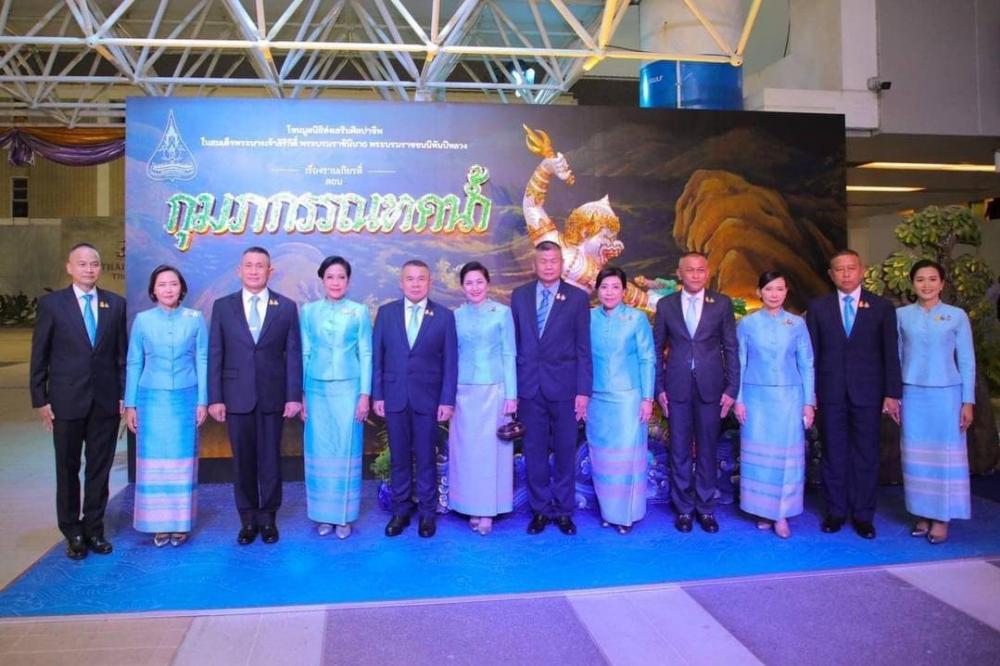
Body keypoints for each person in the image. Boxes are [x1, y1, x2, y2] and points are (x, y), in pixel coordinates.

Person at [30, 242, 127, 560]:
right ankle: (72, 530)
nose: (89, 269)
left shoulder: (115, 304)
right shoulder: (52, 305)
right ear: (69, 267)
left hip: (105, 403)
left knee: (99, 469)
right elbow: (40, 355)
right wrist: (40, 399)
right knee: (68, 468)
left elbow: (120, 356)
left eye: (94, 263)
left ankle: (94, 529)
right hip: (66, 401)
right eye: (82, 263)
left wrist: (123, 395)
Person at [208, 246, 302, 546]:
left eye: (259, 266)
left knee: (271, 460)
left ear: (270, 271)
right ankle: (247, 519)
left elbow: (293, 354)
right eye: (248, 265)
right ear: (239, 270)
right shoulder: (223, 306)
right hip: (236, 397)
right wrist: (215, 398)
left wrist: (293, 396)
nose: (253, 270)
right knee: (243, 461)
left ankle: (268, 517)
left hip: (273, 396)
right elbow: (215, 353)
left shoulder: (286, 306)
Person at [806, 249, 902, 540]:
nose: (846, 274)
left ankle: (863, 515)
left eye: (851, 268)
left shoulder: (882, 307)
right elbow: (811, 356)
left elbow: (890, 353)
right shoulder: (818, 307)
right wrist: (811, 394)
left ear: (862, 270)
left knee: (866, 454)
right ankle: (835, 512)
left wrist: (892, 393)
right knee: (833, 454)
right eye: (839, 269)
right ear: (831, 274)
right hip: (830, 393)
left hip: (869, 394)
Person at [510, 241, 592, 536]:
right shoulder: (519, 296)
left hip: (565, 388)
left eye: (553, 261)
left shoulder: (577, 298)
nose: (548, 266)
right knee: (534, 451)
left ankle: (564, 511)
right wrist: (513, 390)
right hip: (529, 388)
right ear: (534, 264)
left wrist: (583, 392)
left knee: (565, 451)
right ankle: (541, 511)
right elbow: (513, 345)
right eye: (543, 261)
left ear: (561, 264)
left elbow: (584, 348)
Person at [653, 251, 739, 534]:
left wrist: (732, 388)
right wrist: (658, 388)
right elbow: (656, 350)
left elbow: (731, 347)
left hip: (711, 388)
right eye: (689, 270)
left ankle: (705, 508)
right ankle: (684, 509)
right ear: (679, 273)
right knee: (679, 450)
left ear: (707, 272)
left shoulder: (722, 304)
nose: (695, 275)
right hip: (676, 387)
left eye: (701, 269)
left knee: (707, 449)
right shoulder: (666, 305)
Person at [373, 259, 457, 538]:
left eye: (421, 278)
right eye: (410, 278)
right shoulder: (386, 313)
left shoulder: (444, 316)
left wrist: (447, 400)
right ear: (401, 283)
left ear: (429, 282)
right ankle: (400, 512)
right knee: (399, 458)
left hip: (428, 400)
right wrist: (378, 395)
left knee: (426, 458)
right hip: (394, 397)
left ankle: (427, 514)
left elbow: (450, 363)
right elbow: (378, 358)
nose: (416, 284)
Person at [124, 265, 207, 547]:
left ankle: (180, 523)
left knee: (182, 462)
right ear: (153, 290)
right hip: (151, 398)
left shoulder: (195, 318)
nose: (168, 289)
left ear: (181, 288)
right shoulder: (143, 320)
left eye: (173, 284)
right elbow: (134, 361)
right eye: (162, 284)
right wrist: (131, 404)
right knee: (154, 463)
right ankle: (158, 524)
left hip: (186, 396)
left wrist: (203, 400)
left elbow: (203, 360)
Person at [897, 259, 975, 545]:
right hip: (912, 393)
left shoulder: (956, 316)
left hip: (947, 395)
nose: (926, 285)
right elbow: (896, 357)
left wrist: (968, 401)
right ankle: (921, 513)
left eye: (932, 279)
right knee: (915, 456)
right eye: (920, 279)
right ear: (912, 284)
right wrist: (893, 395)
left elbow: (967, 360)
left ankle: (941, 517)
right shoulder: (901, 315)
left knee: (945, 456)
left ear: (942, 284)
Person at [734, 271, 815, 539]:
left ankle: (781, 513)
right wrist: (738, 400)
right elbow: (739, 363)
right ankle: (761, 509)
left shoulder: (797, 324)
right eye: (768, 289)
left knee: (786, 458)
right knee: (760, 458)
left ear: (786, 292)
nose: (774, 294)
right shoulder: (746, 323)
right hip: (755, 398)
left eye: (779, 289)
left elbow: (807, 364)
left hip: (789, 398)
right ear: (759, 292)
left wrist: (809, 402)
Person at [300, 256, 371, 540]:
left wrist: (364, 394)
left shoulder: (359, 311)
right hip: (315, 389)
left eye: (341, 277)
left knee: (346, 449)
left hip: (349, 388)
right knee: (319, 449)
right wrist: (302, 394)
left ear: (348, 281)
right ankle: (323, 515)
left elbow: (366, 354)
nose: (336, 282)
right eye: (330, 277)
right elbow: (305, 353)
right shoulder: (308, 311)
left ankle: (344, 516)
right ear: (322, 280)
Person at [448, 262, 517, 536]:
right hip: (463, 391)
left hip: (494, 390)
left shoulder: (502, 313)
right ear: (462, 287)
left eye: (479, 282)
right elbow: (451, 356)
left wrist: (512, 395)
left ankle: (488, 510)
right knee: (466, 452)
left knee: (490, 453)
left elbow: (509, 354)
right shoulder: (456, 316)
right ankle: (469, 506)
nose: (474, 287)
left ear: (487, 283)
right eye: (469, 283)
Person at [587, 266, 655, 534]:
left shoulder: (636, 319)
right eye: (604, 287)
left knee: (627, 457)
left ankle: (626, 515)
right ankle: (608, 512)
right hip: (596, 397)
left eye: (615, 287)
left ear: (624, 291)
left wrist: (647, 398)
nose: (609, 292)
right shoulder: (588, 318)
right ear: (597, 290)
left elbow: (647, 359)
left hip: (628, 398)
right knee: (602, 456)